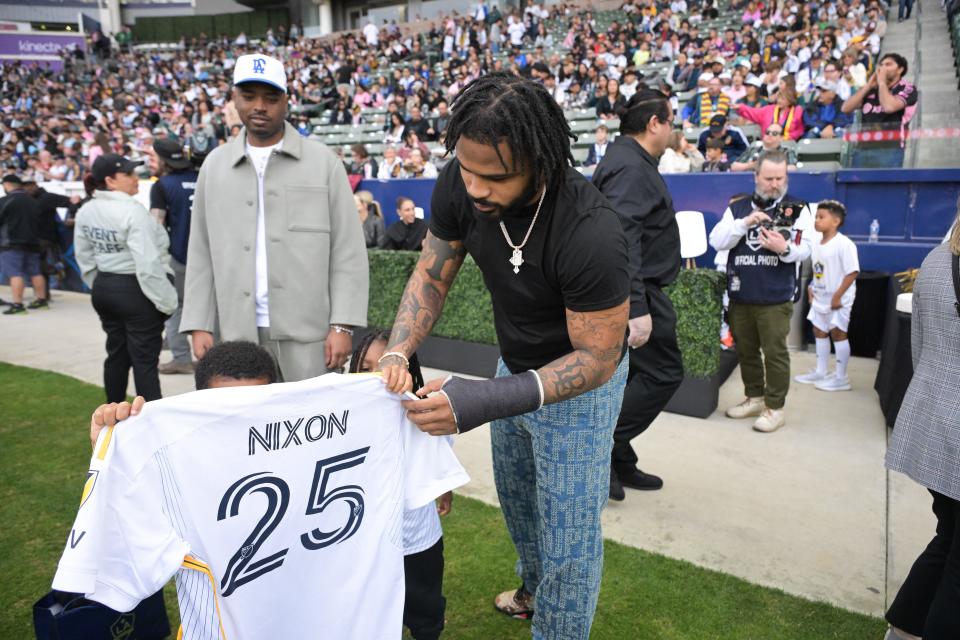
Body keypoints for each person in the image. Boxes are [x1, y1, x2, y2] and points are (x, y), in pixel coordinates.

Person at [378, 72, 630, 639]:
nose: (473, 188)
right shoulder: (462, 179)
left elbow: (598, 358)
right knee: (519, 504)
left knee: (569, 535)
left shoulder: (591, 231)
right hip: (512, 364)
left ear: (540, 163)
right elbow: (432, 271)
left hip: (581, 385)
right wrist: (398, 349)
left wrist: (486, 399)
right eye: (465, 169)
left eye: (493, 177)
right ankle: (532, 591)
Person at [181, 54, 368, 382]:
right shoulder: (214, 166)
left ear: (286, 101)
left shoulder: (323, 162)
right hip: (236, 331)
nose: (259, 107)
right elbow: (200, 252)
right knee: (246, 428)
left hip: (310, 334)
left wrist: (342, 325)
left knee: (311, 426)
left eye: (270, 98)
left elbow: (347, 250)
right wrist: (199, 323)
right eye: (249, 96)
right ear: (235, 100)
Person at [592, 89, 683, 501]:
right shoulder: (631, 167)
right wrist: (637, 304)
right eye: (672, 120)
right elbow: (621, 235)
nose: (674, 129)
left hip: (634, 290)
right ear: (654, 124)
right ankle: (604, 448)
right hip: (636, 292)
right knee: (664, 373)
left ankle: (619, 458)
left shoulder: (628, 160)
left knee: (631, 377)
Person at [884, 217, 960, 640]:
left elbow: (919, 349)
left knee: (948, 538)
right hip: (951, 429)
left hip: (932, 420)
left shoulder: (934, 259)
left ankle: (904, 629)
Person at [349, 330, 453, 640]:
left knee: (424, 605)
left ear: (408, 372)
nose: (373, 376)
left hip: (419, 540)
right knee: (374, 607)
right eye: (364, 367)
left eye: (382, 368)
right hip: (367, 540)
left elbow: (439, 456)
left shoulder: (426, 414)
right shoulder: (345, 422)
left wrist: (445, 490)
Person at [708, 149, 813, 433]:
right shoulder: (739, 208)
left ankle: (774, 407)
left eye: (780, 178)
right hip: (741, 293)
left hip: (775, 297)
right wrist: (744, 224)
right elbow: (716, 240)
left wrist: (784, 248)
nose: (774, 183)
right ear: (756, 177)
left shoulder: (798, 208)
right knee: (746, 350)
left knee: (775, 353)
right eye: (769, 178)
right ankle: (754, 397)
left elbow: (806, 249)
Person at [74, 154, 178, 402]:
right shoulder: (133, 211)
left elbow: (85, 257)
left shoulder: (87, 209)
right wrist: (168, 303)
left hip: (106, 287)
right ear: (110, 180)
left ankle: (113, 420)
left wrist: (100, 284)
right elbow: (148, 264)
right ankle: (154, 429)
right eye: (129, 174)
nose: (136, 179)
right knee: (144, 362)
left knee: (117, 355)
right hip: (135, 289)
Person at [794, 200, 859, 391]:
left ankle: (841, 377)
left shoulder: (844, 244)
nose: (817, 221)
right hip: (820, 297)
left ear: (836, 221)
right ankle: (821, 371)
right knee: (819, 331)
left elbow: (852, 272)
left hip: (838, 299)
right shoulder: (816, 243)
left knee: (838, 334)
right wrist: (812, 287)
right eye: (816, 217)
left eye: (821, 217)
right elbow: (818, 270)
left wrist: (838, 296)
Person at [150, 137, 199, 375]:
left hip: (180, 256)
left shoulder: (162, 185)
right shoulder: (201, 177)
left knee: (174, 307)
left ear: (162, 160)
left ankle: (181, 357)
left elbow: (156, 226)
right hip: (209, 257)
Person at [842, 53, 918, 168]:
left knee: (886, 185)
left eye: (888, 64)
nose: (883, 68)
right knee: (857, 185)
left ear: (900, 69)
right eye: (881, 65)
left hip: (890, 148)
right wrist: (868, 86)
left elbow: (889, 107)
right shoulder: (872, 89)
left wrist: (882, 83)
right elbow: (845, 108)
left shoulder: (907, 88)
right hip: (863, 148)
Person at [0, 174, 47, 314]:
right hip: (33, 242)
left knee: (15, 273)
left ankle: (18, 305)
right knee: (35, 272)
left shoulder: (5, 201)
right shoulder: (33, 201)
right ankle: (41, 301)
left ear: (7, 185)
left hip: (11, 243)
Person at [736, 86, 805, 141]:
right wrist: (741, 107)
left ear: (790, 101)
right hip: (768, 144)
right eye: (778, 98)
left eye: (783, 99)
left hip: (787, 145)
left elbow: (799, 130)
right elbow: (753, 112)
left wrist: (787, 138)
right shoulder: (769, 109)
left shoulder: (796, 112)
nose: (779, 101)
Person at [730, 124, 799, 171]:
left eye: (774, 133)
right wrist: (749, 166)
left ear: (781, 138)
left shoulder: (786, 151)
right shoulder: (753, 149)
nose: (770, 135)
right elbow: (734, 166)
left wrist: (768, 167)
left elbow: (792, 168)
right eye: (767, 132)